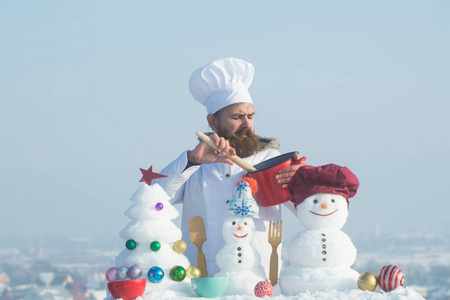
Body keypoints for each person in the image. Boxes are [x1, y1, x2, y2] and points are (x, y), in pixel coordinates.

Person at [155, 57, 307, 277]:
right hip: (204, 282)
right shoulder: (194, 164)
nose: (246, 124)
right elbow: (154, 197)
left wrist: (306, 184)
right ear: (213, 122)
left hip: (258, 284)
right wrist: (190, 161)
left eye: (250, 116)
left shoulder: (272, 161)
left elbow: (309, 213)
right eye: (236, 117)